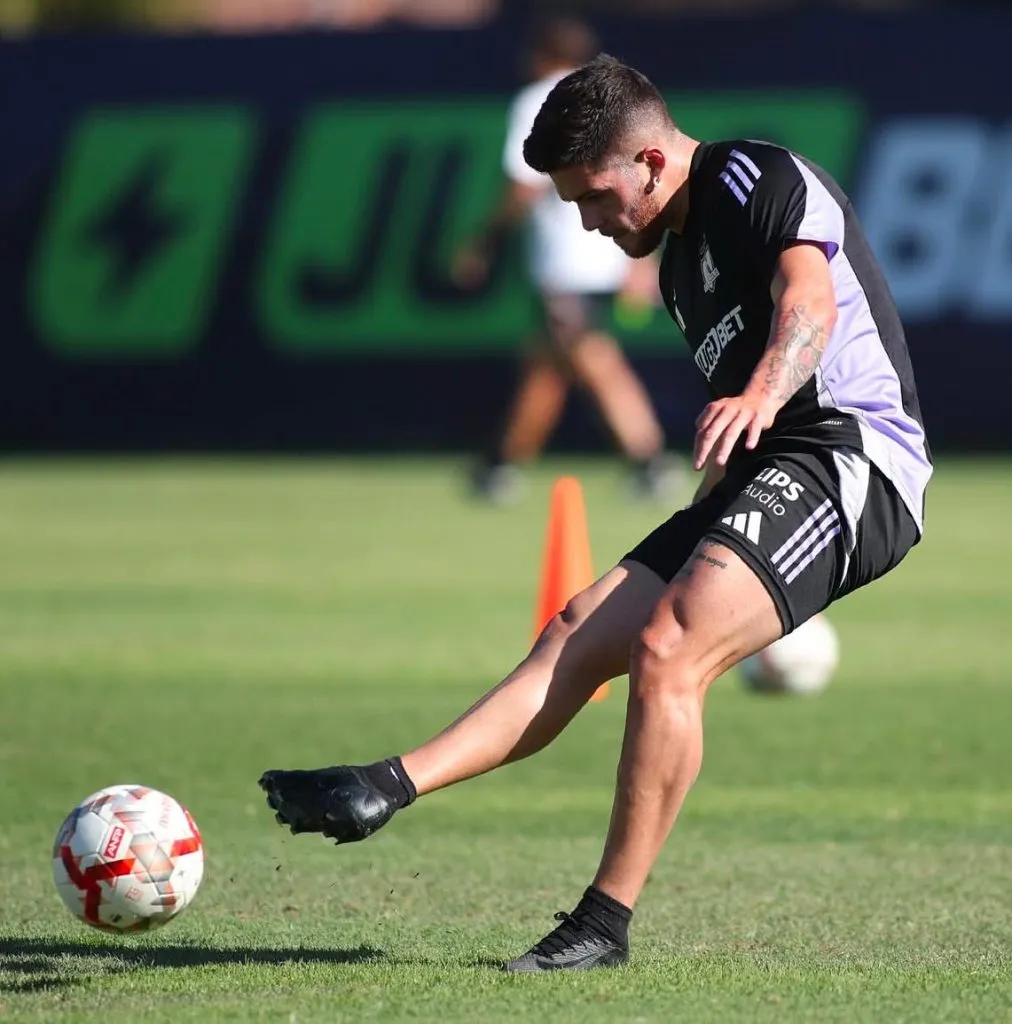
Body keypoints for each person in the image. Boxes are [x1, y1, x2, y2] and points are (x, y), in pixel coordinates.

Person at [259, 55, 932, 972]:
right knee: (577, 629)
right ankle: (386, 785)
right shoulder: (678, 268)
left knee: (668, 647)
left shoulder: (754, 179)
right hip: (769, 468)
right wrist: (706, 524)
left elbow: (807, 300)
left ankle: (600, 928)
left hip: (854, 456)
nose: (588, 221)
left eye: (593, 196)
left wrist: (764, 396)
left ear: (651, 161)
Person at [453, 17, 681, 504]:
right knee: (547, 366)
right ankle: (500, 465)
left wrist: (484, 242)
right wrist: (641, 258)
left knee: (593, 359)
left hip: (565, 263)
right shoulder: (612, 102)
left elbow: (523, 185)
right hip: (613, 253)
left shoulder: (539, 100)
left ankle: (652, 462)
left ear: (538, 54)